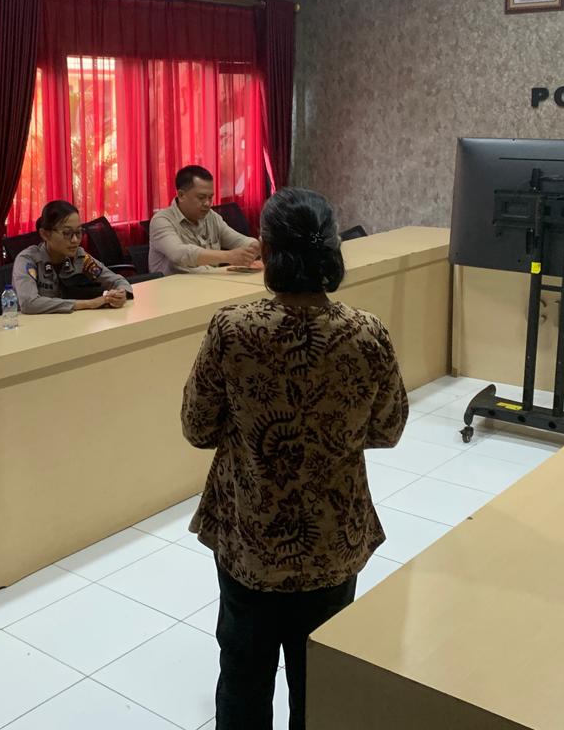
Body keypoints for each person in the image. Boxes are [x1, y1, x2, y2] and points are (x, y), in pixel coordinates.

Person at [181, 187, 408, 730]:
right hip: (331, 541)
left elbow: (197, 427)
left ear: (266, 250)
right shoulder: (366, 333)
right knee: (321, 686)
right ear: (332, 249)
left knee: (243, 678)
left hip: (251, 538)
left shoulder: (233, 330)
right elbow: (388, 429)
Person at [13, 201, 131, 314]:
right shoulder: (28, 259)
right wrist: (89, 304)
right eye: (67, 233)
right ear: (45, 234)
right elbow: (28, 303)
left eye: (78, 232)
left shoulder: (79, 256)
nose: (75, 240)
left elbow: (117, 281)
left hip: (68, 323)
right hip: (32, 325)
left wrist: (121, 294)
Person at [148, 165, 261, 276]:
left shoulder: (211, 216)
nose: (207, 203)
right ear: (181, 195)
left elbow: (238, 240)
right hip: (175, 285)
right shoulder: (162, 220)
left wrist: (256, 246)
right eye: (201, 198)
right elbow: (179, 253)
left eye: (210, 197)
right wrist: (229, 256)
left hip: (212, 281)